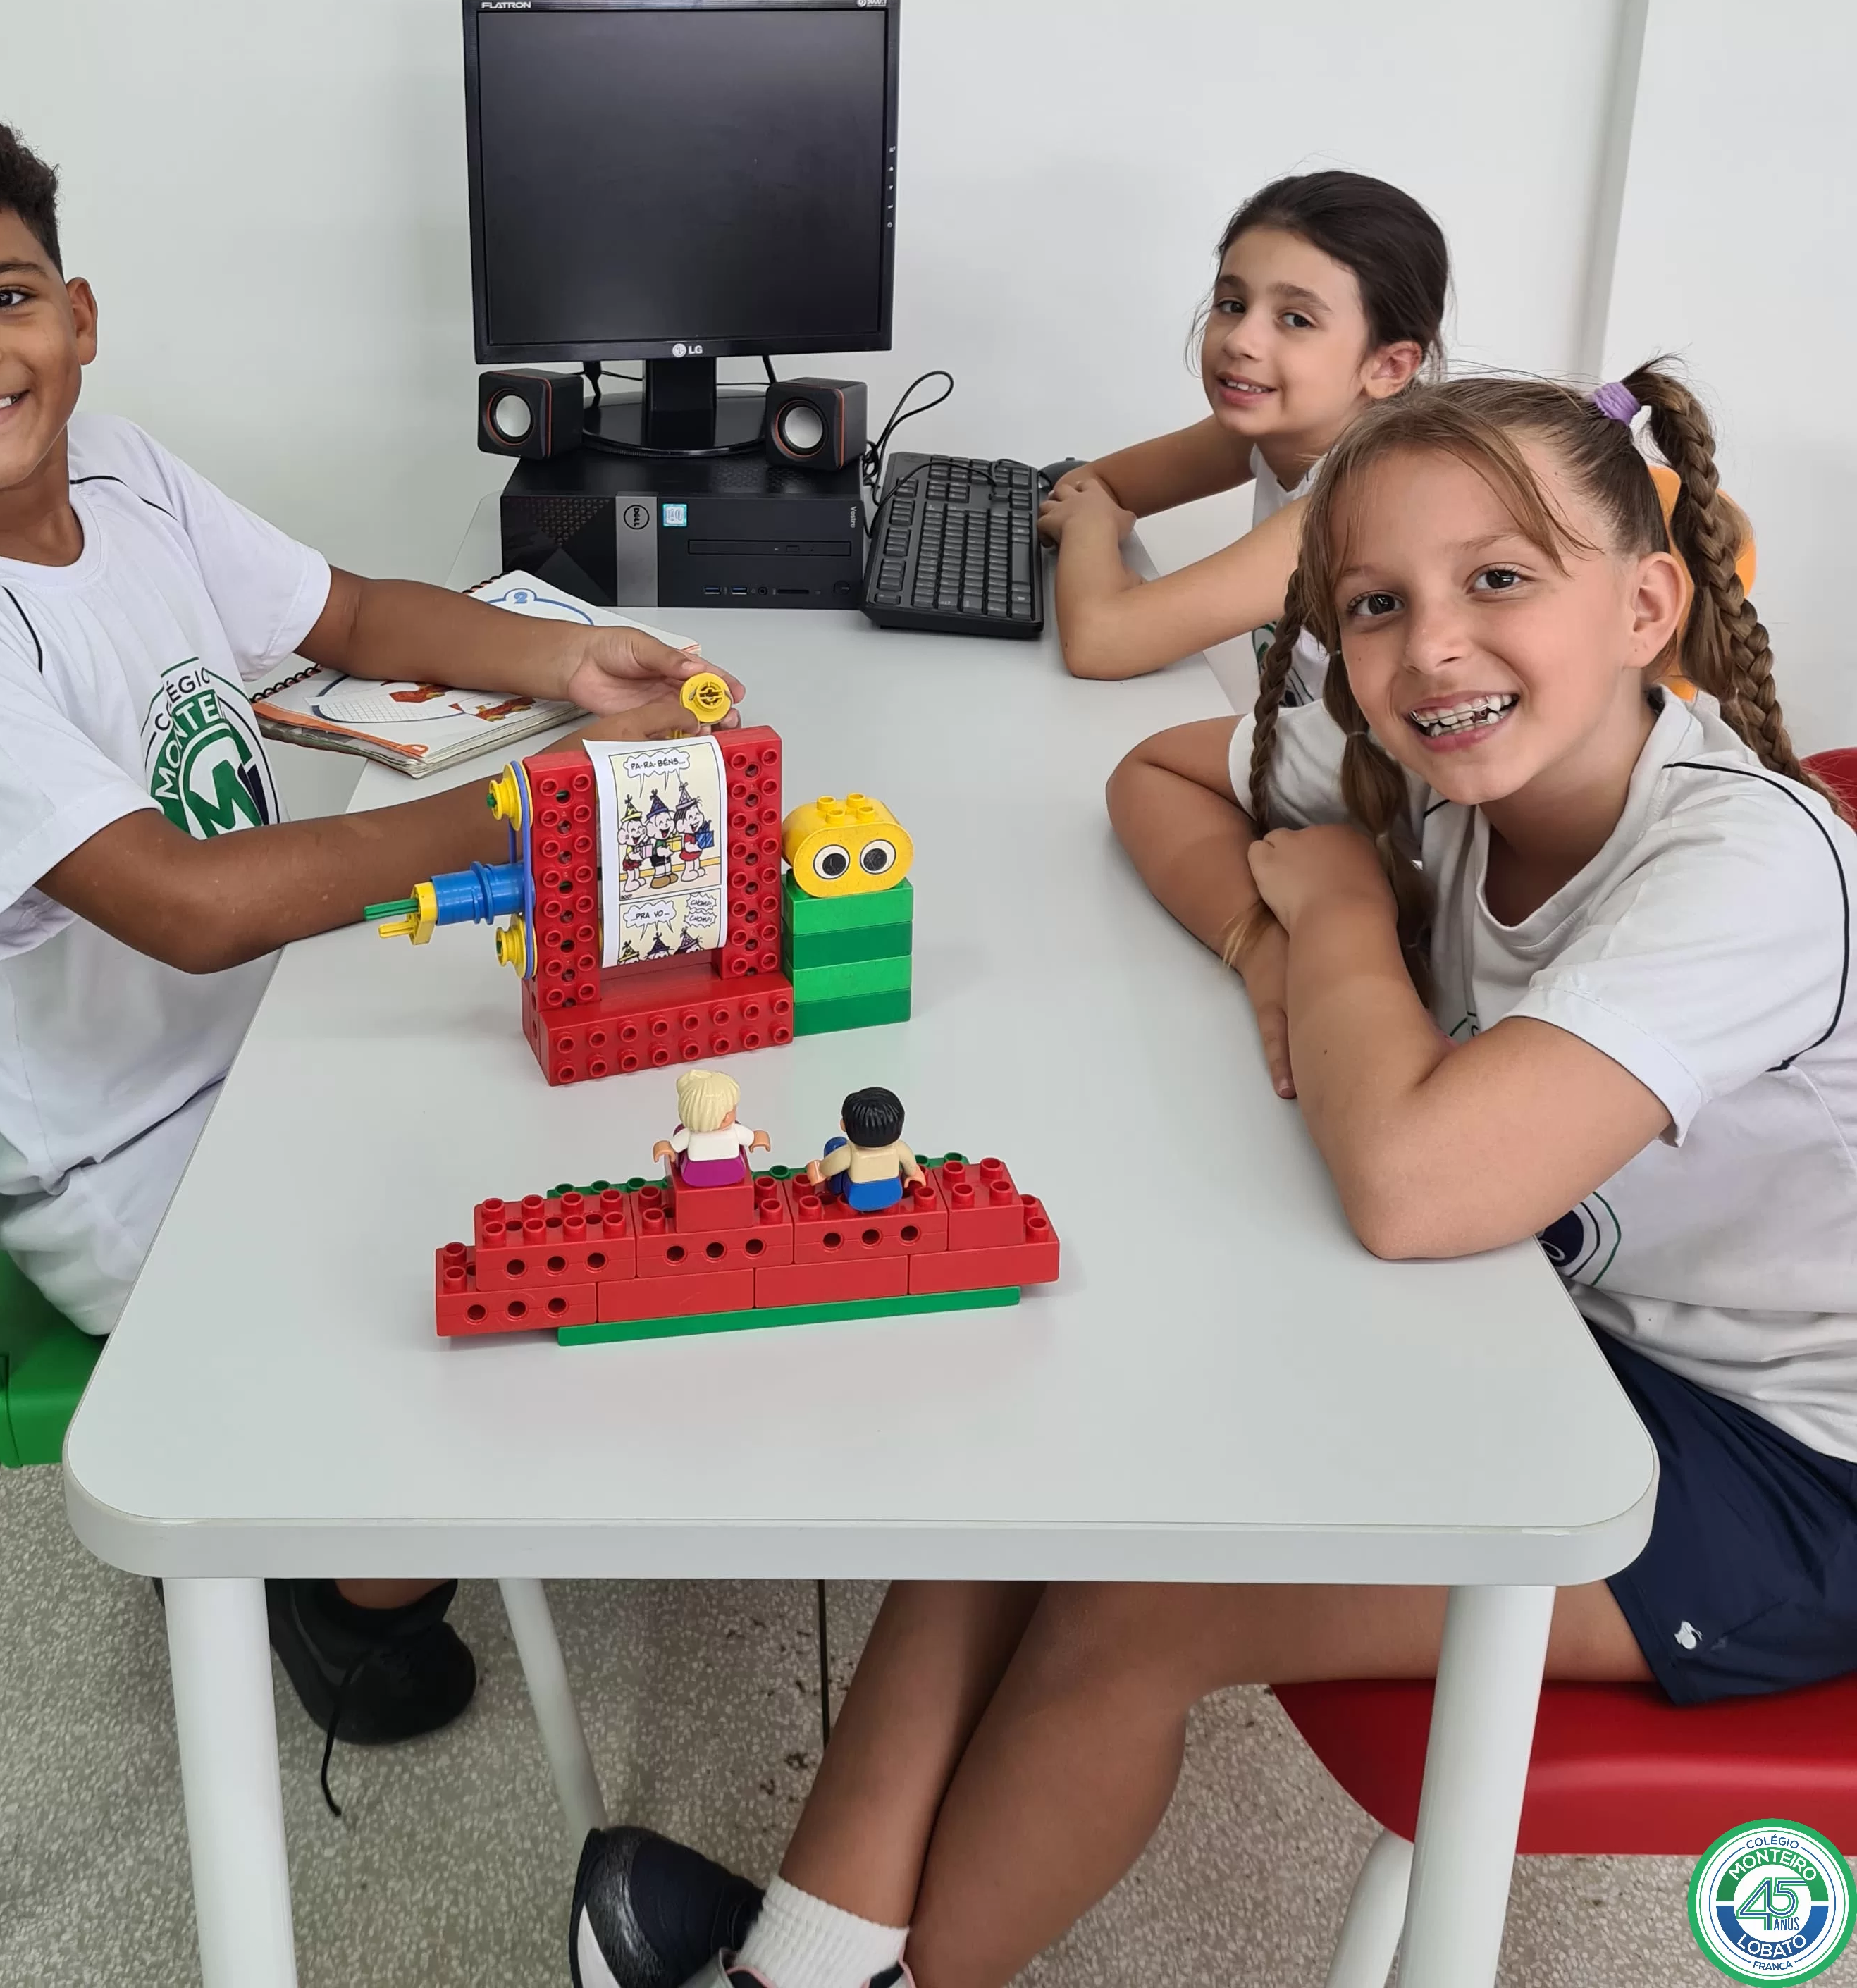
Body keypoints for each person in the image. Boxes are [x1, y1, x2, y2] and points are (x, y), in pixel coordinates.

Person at [568, 364, 1857, 1988]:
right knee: (1051, 1429)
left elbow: (1416, 1188)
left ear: (1646, 606)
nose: (1433, 647)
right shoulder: (1439, 753)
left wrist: (1339, 922)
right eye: (1377, 604)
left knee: (1145, 1599)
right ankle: (810, 1958)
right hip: (1550, 1336)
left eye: (1499, 580)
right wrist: (1264, 933)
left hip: (1792, 1469)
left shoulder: (1744, 870)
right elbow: (1154, 778)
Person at [0, 90, 744, 1761]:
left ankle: (331, 1486)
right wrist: (536, 802)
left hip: (276, 1044)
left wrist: (568, 663)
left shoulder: (121, 472)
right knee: (520, 1304)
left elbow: (345, 614)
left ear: (78, 315)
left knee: (636, 1113)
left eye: (2, 296)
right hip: (135, 1166)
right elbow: (189, 909)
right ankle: (330, 1580)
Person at [1037, 167, 1448, 691]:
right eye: (1233, 306)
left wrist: (1091, 531)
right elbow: (1088, 485)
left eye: (1296, 319)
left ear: (1388, 366)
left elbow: (1100, 641)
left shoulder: (1360, 501)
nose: (1241, 341)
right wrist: (1100, 545)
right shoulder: (1266, 432)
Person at [806, 1087, 923, 1214]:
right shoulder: (899, 1148)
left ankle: (835, 1190)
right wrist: (912, 1175)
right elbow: (911, 1167)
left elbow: (829, 1167)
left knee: (835, 1145)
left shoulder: (848, 1153)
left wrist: (820, 1170)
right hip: (893, 1195)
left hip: (859, 1199)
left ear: (843, 1125)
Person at [654, 1066, 769, 1187]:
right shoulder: (734, 1131)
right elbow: (752, 1138)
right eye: (733, 1109)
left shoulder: (691, 1135)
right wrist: (757, 1139)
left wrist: (667, 1148)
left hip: (695, 1175)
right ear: (726, 1117)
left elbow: (673, 1147)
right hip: (732, 1171)